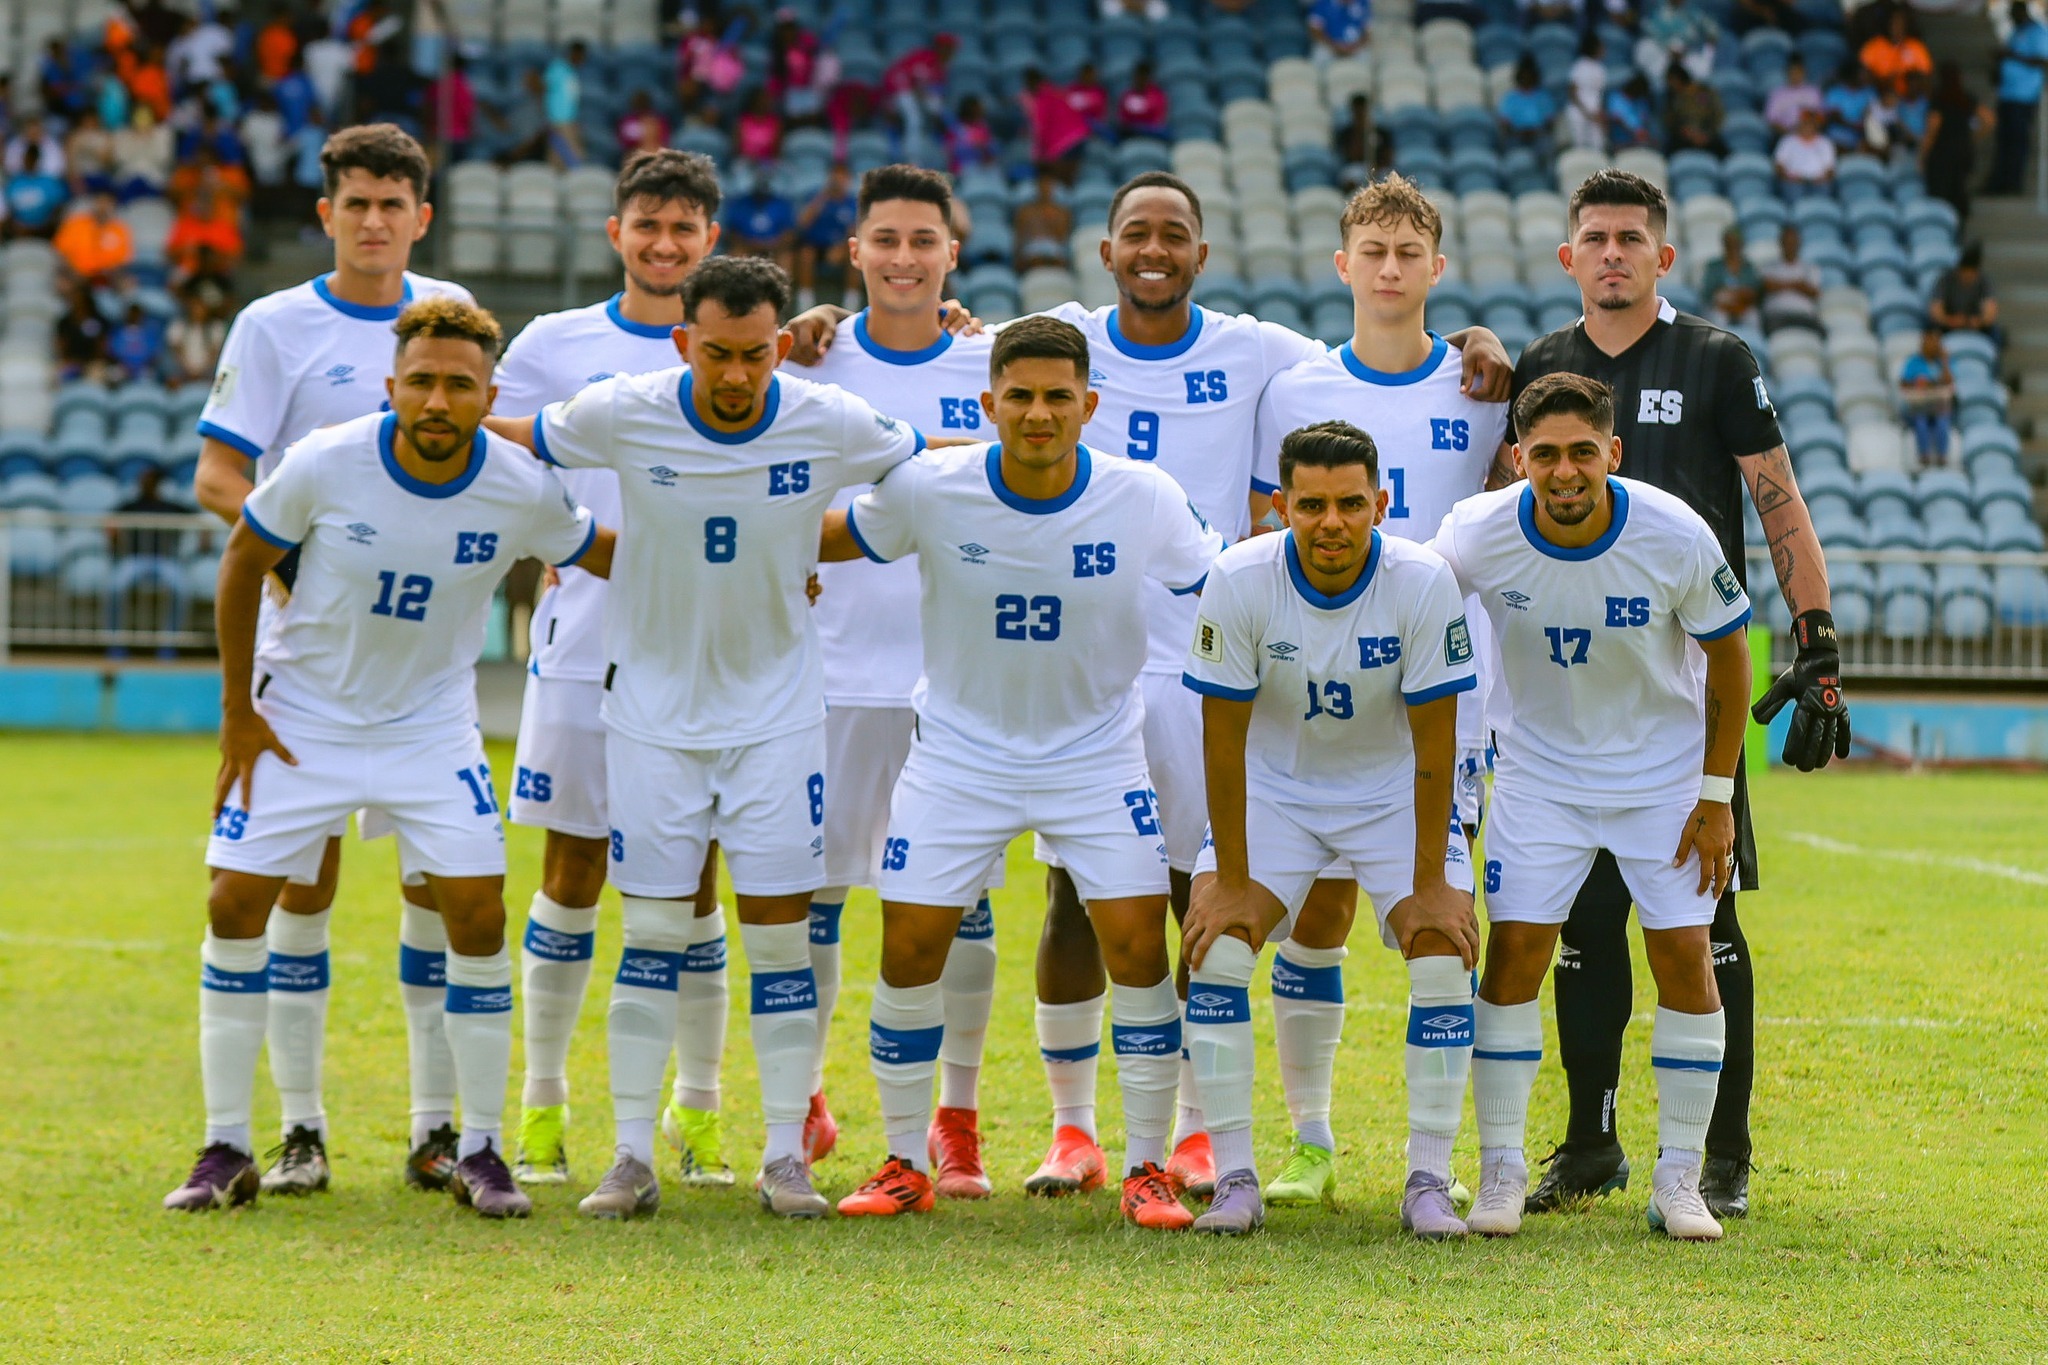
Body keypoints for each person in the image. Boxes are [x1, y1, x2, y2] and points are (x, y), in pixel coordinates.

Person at [783, 176, 1511, 1202]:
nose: (1153, 250)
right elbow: (935, 363)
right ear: (1104, 249)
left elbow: (1387, 344)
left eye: (1174, 234)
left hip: (1213, 673)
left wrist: (1474, 337)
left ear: (1201, 254)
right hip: (1038, 703)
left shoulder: (1257, 362)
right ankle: (1037, 1136)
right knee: (1032, 915)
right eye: (1135, 234)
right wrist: (822, 335)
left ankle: (1176, 1146)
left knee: (1185, 911)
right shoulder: (1044, 357)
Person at [485, 256, 924, 1222]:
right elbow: (517, 440)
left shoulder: (825, 415)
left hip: (777, 720)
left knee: (778, 937)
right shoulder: (623, 407)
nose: (736, 375)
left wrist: (826, 544)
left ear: (779, 345)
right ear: (683, 342)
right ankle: (632, 1155)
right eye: (718, 354)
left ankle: (782, 1157)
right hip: (648, 717)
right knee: (650, 933)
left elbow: (922, 468)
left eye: (756, 355)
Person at [164, 296, 614, 1220]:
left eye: (459, 384)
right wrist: (238, 715)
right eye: (422, 382)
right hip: (303, 718)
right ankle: (226, 1144)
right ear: (390, 387)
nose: (439, 401)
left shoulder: (521, 484)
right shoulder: (327, 461)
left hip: (429, 731)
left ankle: (480, 1149)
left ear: (490, 393)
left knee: (478, 916)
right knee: (231, 902)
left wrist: (745, 562)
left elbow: (598, 552)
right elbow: (244, 560)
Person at [819, 315, 1224, 1227]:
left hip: (1095, 754)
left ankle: (1147, 1165)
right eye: (1020, 396)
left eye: (1056, 397)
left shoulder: (1142, 494)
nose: (1038, 414)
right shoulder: (929, 486)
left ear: (1089, 404)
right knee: (910, 947)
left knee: (1136, 951)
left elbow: (1223, 580)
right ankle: (900, 1158)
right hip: (960, 755)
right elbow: (835, 536)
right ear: (986, 402)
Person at [1506, 171, 1848, 1223]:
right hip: (1567, 700)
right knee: (1579, 923)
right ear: (1567, 259)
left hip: (1686, 691)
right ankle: (1588, 1141)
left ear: (1661, 256)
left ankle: (1720, 1155)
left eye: (1630, 239)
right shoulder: (1543, 367)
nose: (1612, 253)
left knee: (1704, 925)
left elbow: (1774, 494)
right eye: (1594, 239)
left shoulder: (1714, 359)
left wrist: (1816, 642)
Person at [191, 124, 476, 1199]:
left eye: (391, 204)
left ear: (421, 217)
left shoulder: (443, 319)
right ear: (326, 214)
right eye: (354, 203)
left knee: (433, 894)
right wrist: (299, 561)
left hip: (419, 673)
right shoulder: (275, 325)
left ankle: (435, 1127)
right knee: (295, 894)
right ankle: (300, 1130)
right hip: (304, 661)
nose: (372, 221)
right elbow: (224, 478)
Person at [1436, 372, 1753, 1243]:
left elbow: (1730, 656)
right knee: (1514, 961)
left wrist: (1716, 796)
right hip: (1539, 779)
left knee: (1685, 956)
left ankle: (1679, 1177)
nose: (1565, 471)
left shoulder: (1673, 532)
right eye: (1545, 454)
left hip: (1662, 779)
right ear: (1518, 458)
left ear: (1613, 452)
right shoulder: (1478, 532)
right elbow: (1416, 600)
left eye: (1583, 451)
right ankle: (1500, 1170)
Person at [1246, 174, 1508, 1208]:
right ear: (1342, 265)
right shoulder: (1294, 391)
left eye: (1409, 254)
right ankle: (1309, 1143)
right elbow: (1262, 540)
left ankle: (1429, 1168)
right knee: (1313, 914)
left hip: (1445, 699)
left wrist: (1486, 340)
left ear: (1435, 270)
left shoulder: (1481, 387)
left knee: (1434, 925)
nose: (1390, 270)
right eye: (1373, 252)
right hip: (1313, 693)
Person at [492, 150, 732, 1191]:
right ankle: (542, 1107)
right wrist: (554, 546)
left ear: (709, 239)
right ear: (616, 232)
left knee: (699, 877)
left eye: (684, 227)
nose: (665, 242)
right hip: (588, 635)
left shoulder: (740, 337)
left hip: (714, 648)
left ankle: (700, 1107)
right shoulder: (555, 344)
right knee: (571, 872)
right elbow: (504, 465)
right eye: (649, 224)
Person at [1180, 420, 1479, 1238]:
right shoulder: (1239, 577)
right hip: (1276, 792)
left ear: (1382, 503)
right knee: (1220, 951)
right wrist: (1232, 878)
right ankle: (1233, 1176)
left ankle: (1427, 1178)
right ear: (1280, 506)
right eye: (1311, 505)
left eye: (1351, 503)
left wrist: (1429, 884)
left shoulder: (1420, 581)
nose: (1332, 523)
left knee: (1445, 959)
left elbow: (1435, 741)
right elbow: (1222, 740)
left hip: (1392, 792)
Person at [789, 166, 1004, 1201]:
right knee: (817, 897)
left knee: (957, 908)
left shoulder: (994, 359)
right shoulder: (810, 366)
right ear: (856, 252)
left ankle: (954, 1125)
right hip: (824, 673)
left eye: (925, 240)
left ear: (950, 253)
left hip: (954, 683)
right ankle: (807, 1101)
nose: (906, 258)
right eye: (887, 239)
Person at [105, 464, 192, 657]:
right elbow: (110, 520)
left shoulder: (171, 506)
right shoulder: (132, 505)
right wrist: (112, 534)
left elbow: (196, 518)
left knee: (181, 590)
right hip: (135, 560)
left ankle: (169, 644)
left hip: (165, 561)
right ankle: (115, 643)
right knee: (115, 588)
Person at [1922, 62, 1992, 224]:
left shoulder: (1940, 100)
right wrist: (1971, 138)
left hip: (1942, 154)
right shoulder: (1966, 98)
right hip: (1963, 151)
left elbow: (1933, 129)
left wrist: (1923, 155)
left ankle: (1944, 226)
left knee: (1942, 193)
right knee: (1958, 189)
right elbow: (1989, 120)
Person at [1991, 1, 2048, 196]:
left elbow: (2043, 60)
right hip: (2007, 94)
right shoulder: (2015, 32)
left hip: (2024, 97)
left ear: (2022, 11)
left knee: (2017, 142)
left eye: (2014, 12)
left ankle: (2013, 183)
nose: (2011, 16)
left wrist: (2011, 55)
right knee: (2004, 141)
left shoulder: (2037, 31)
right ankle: (2001, 181)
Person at [794, 163, 858, 310]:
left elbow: (855, 231)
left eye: (843, 176)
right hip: (815, 246)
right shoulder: (815, 198)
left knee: (855, 253)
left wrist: (841, 247)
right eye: (835, 175)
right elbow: (802, 224)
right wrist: (822, 198)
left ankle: (851, 302)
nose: (838, 180)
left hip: (841, 247)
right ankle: (805, 302)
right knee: (806, 254)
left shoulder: (853, 203)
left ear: (848, 180)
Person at [1899, 326, 1955, 467]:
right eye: (1929, 342)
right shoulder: (1913, 362)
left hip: (1939, 404)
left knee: (1942, 421)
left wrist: (1945, 363)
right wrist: (1917, 383)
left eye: (1935, 342)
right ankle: (1924, 456)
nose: (1932, 346)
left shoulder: (1943, 363)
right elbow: (1903, 384)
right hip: (1919, 405)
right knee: (1921, 421)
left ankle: (1942, 456)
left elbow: (1950, 383)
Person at [1022, 68, 1090, 183]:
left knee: (1059, 177)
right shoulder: (1057, 92)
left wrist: (1037, 154)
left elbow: (1041, 128)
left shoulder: (1043, 99)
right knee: (1068, 176)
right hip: (1079, 136)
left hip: (1065, 142)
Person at [725, 172, 798, 274]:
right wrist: (750, 243)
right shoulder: (740, 204)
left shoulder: (782, 204)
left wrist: (772, 244)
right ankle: (737, 289)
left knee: (786, 256)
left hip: (775, 248)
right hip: (747, 247)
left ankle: (783, 288)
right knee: (736, 254)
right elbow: (731, 233)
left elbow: (790, 234)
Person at [54, 191, 134, 283]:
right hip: (75, 274)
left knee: (126, 282)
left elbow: (122, 262)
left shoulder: (120, 230)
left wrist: (105, 275)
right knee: (64, 281)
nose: (103, 207)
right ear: (93, 203)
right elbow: (62, 253)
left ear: (114, 206)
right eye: (100, 202)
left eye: (108, 203)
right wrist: (74, 272)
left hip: (106, 277)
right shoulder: (75, 223)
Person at [1760, 223, 1822, 334]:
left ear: (1798, 244)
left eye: (1793, 242)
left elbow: (1814, 293)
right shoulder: (1768, 267)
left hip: (1804, 316)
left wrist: (1780, 284)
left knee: (1821, 332)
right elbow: (1767, 286)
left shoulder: (1810, 268)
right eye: (1787, 242)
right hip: (1777, 316)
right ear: (1781, 243)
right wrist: (1797, 285)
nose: (1790, 246)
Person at [1930, 242, 2000, 337]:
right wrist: (1949, 320)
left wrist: (1980, 321)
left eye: (1972, 273)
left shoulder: (1983, 281)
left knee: (1997, 335)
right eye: (1965, 272)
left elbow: (1990, 309)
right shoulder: (1945, 280)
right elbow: (1936, 309)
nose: (1968, 276)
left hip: (1975, 325)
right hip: (1948, 325)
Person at [1860, 8, 1932, 98]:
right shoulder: (1873, 47)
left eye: (1901, 23)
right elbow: (1863, 79)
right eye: (1894, 23)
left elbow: (1926, 80)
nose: (1897, 27)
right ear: (1887, 24)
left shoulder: (1916, 47)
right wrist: (1885, 82)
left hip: (1909, 100)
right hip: (1881, 99)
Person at [1700, 228, 1763, 329]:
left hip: (1743, 307)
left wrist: (1736, 297)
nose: (1733, 247)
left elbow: (1754, 292)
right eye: (1729, 244)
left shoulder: (1748, 267)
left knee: (1753, 317)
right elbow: (1708, 292)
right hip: (1721, 308)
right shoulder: (1714, 266)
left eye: (1736, 244)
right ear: (1724, 245)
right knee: (1718, 318)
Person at [1012, 173, 1073, 272]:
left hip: (1054, 248)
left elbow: (1063, 237)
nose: (1045, 190)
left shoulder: (1062, 212)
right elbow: (1019, 237)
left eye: (1048, 187)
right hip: (1032, 248)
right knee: (1036, 260)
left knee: (1057, 261)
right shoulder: (1025, 212)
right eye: (1042, 187)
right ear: (1036, 189)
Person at [1773, 107, 1838, 199]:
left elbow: (1830, 169)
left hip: (1818, 181)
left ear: (1817, 125)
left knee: (1823, 192)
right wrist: (1788, 177)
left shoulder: (1825, 142)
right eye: (1806, 122)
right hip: (1793, 181)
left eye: (1812, 123)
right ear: (1800, 123)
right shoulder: (1788, 141)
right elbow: (1778, 165)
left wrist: (1823, 178)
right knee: (1793, 193)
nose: (1808, 125)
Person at [1498, 56, 1558, 153]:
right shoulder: (1510, 98)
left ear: (1534, 77)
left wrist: (1537, 131)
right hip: (1517, 136)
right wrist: (1519, 132)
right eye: (1523, 76)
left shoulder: (1543, 97)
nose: (1526, 79)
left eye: (1529, 76)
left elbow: (1550, 122)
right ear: (1518, 77)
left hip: (1538, 135)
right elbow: (1504, 123)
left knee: (1546, 144)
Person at [1665, 65, 1725, 156]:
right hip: (1684, 137)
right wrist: (1686, 132)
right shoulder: (1673, 98)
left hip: (1706, 136)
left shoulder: (1704, 92)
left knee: (1723, 151)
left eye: (1671, 81)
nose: (1670, 85)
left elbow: (1717, 115)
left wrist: (1706, 135)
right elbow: (1670, 121)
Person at [544, 40, 587, 167]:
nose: (582, 60)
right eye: (581, 56)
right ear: (574, 53)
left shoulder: (572, 72)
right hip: (559, 121)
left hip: (569, 121)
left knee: (558, 159)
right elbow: (545, 89)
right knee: (574, 159)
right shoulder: (558, 68)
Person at [1765, 56, 1825, 136]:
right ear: (1787, 73)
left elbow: (1820, 116)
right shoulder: (1778, 94)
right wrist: (1789, 133)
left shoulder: (1813, 92)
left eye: (1798, 72)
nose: (1795, 75)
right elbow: (1771, 120)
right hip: (1785, 135)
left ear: (1804, 72)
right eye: (1792, 72)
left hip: (1811, 134)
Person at [1118, 62, 1171, 140]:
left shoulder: (1157, 95)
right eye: (1138, 77)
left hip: (1152, 130)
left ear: (1148, 78)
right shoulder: (1127, 95)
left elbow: (1159, 118)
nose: (1140, 80)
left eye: (1143, 77)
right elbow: (1123, 118)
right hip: (1132, 131)